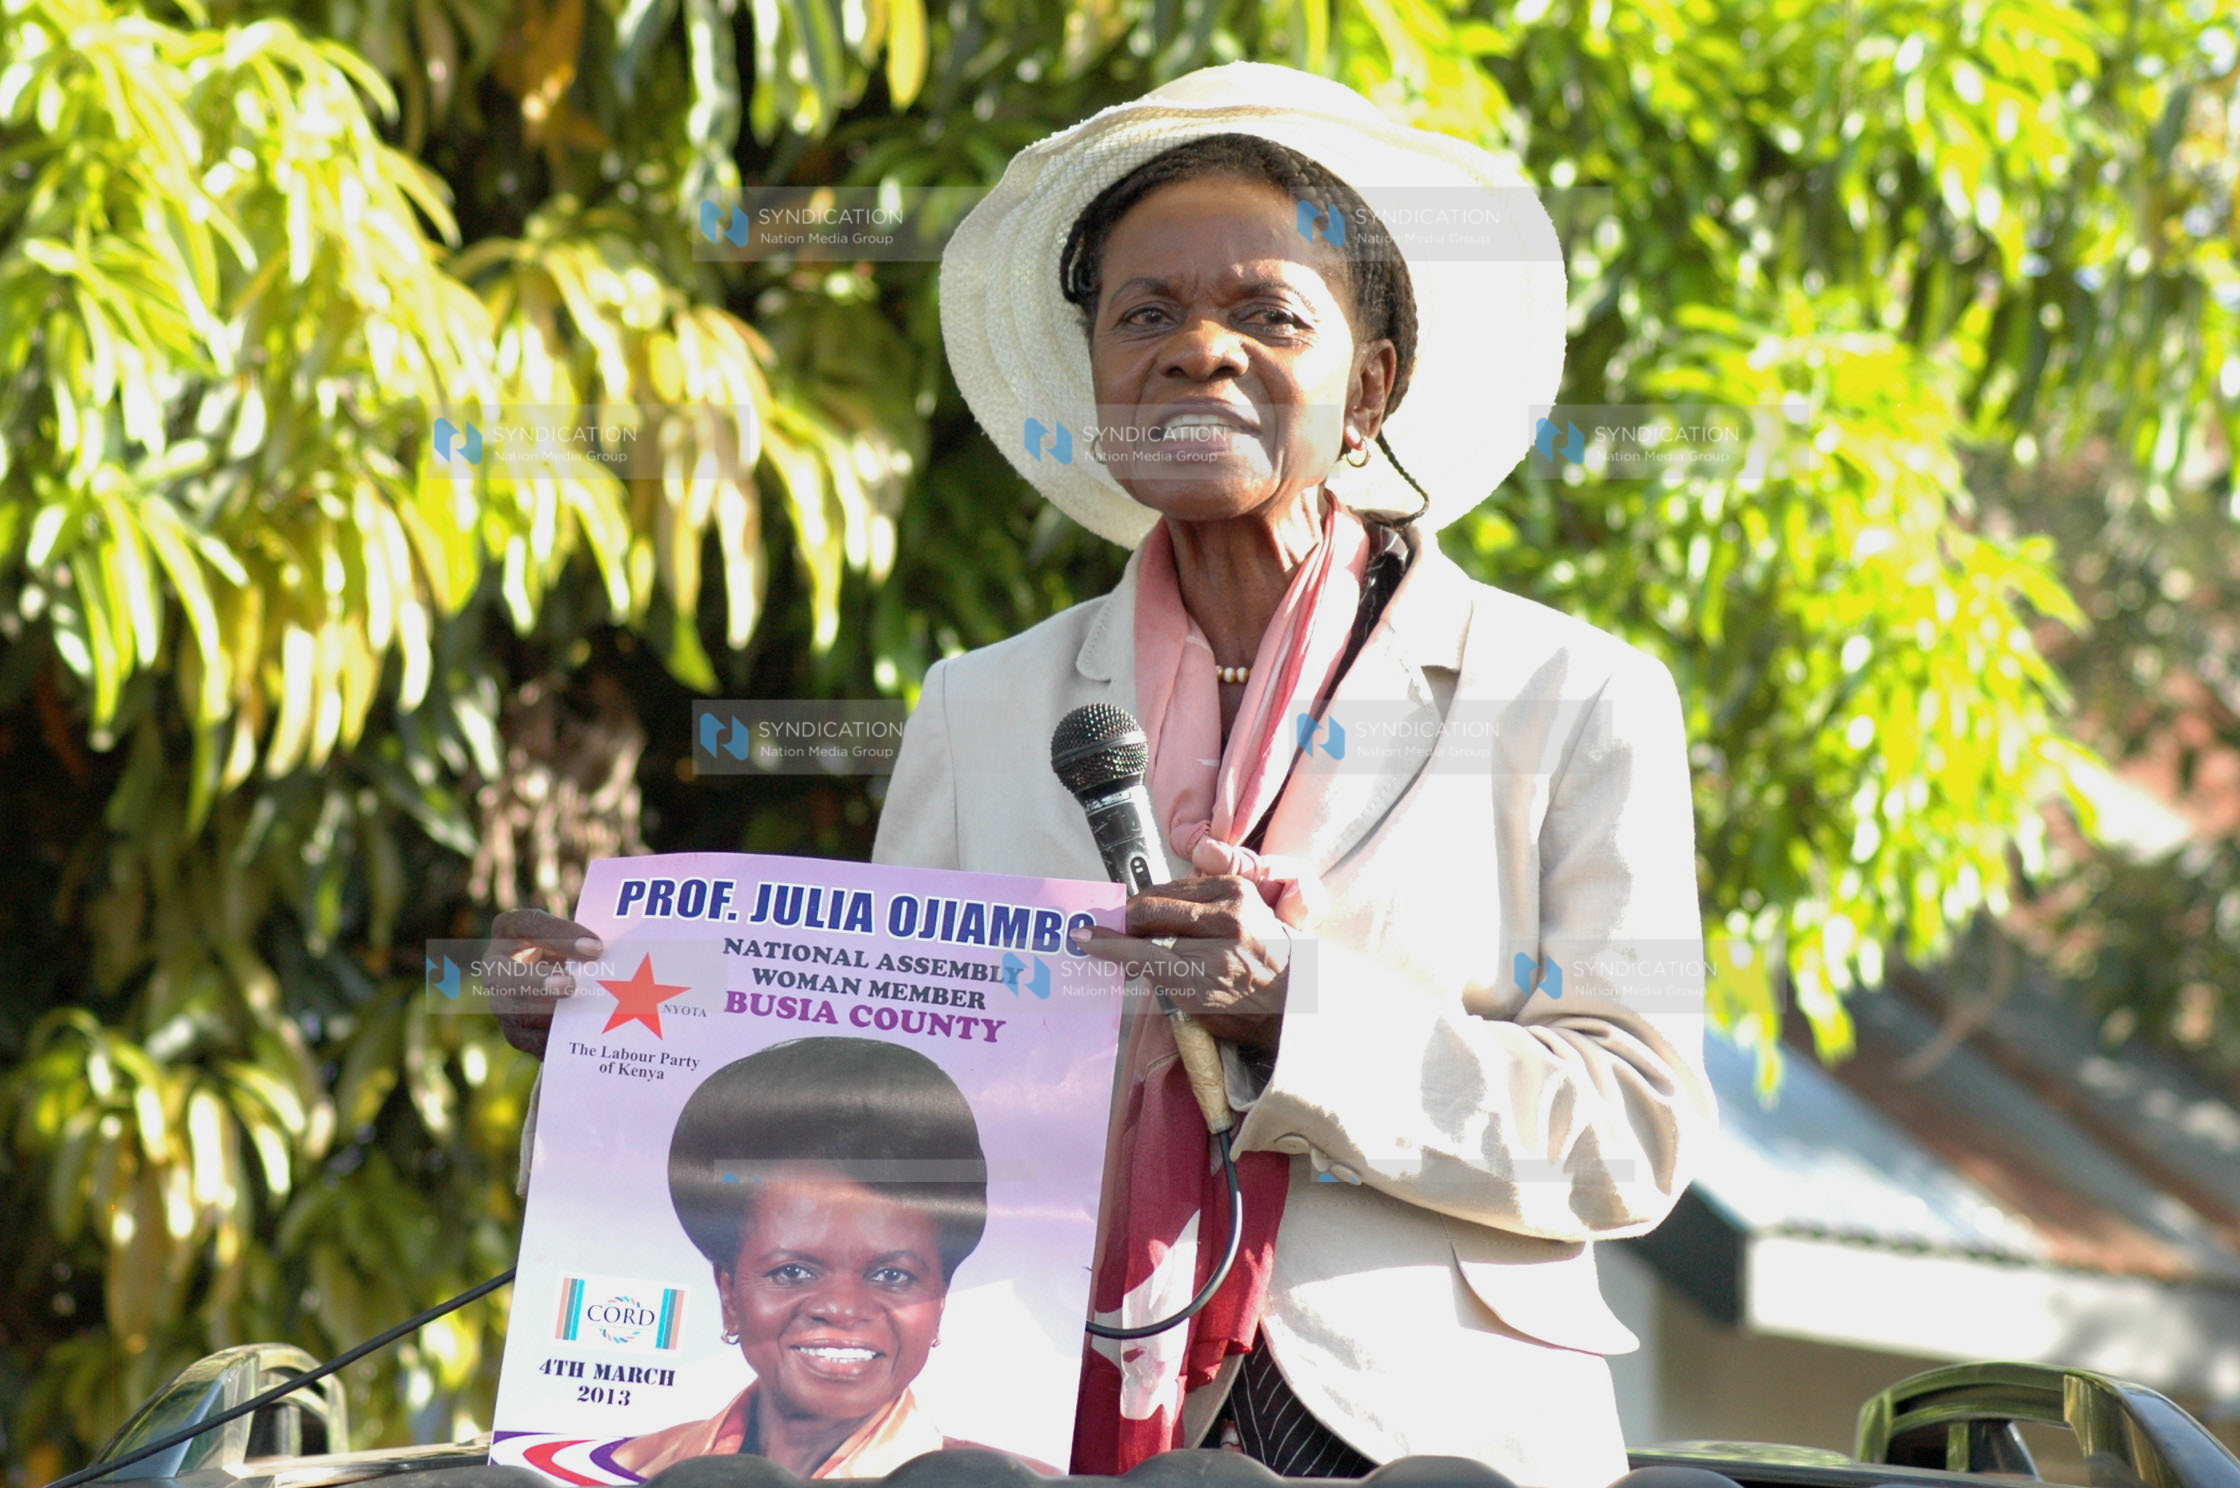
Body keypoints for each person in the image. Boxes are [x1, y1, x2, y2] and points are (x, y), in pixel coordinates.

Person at [497, 61, 1717, 1488]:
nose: (1198, 351)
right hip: (1038, 1436)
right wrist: (619, 1044)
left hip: (1426, 1446)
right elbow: (887, 1104)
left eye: (1268, 314)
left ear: (1371, 387)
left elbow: (1635, 1133)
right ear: (1097, 383)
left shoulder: (1572, 698)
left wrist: (1297, 1012)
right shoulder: (981, 706)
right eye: (1146, 316)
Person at [602, 1038, 1051, 1479]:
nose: (841, 1308)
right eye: (793, 1271)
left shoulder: (1026, 1487)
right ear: (729, 1294)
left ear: (940, 1301)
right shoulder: (611, 1469)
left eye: (893, 1275)